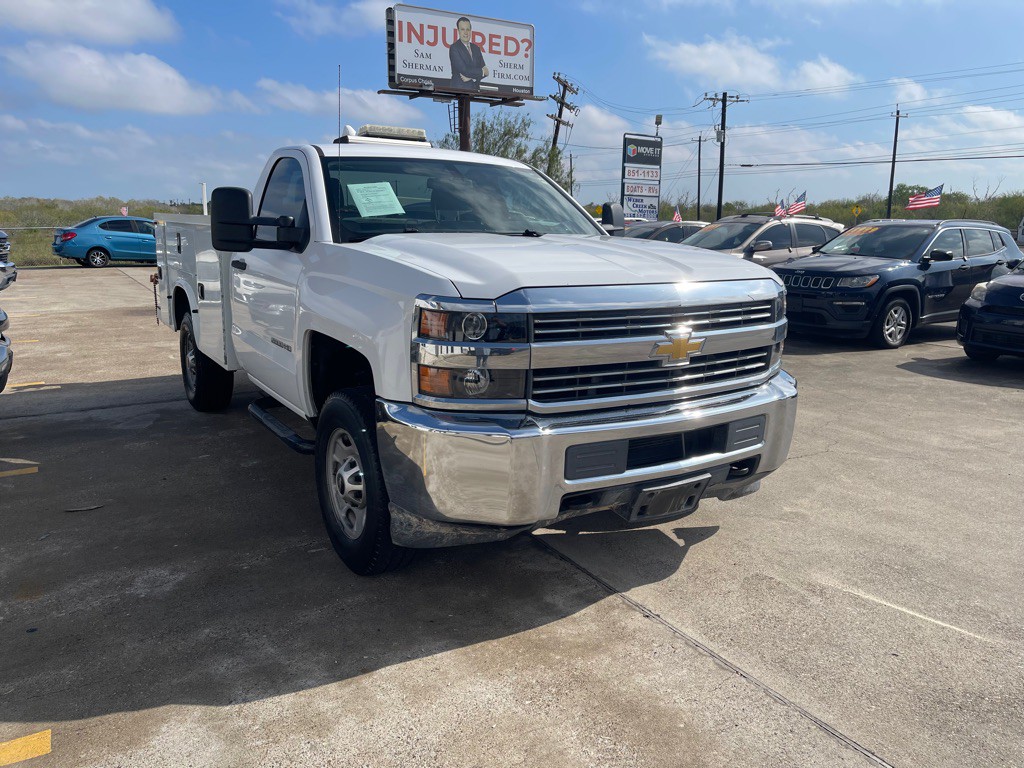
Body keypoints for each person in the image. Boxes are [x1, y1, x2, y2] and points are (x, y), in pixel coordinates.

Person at [449, 16, 488, 88]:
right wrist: (481, 72)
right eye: (463, 29)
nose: (466, 32)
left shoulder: (476, 48)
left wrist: (471, 78)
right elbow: (464, 70)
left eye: (468, 29)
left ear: (471, 31)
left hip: (474, 89)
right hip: (459, 89)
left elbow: (486, 72)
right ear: (458, 31)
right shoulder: (454, 48)